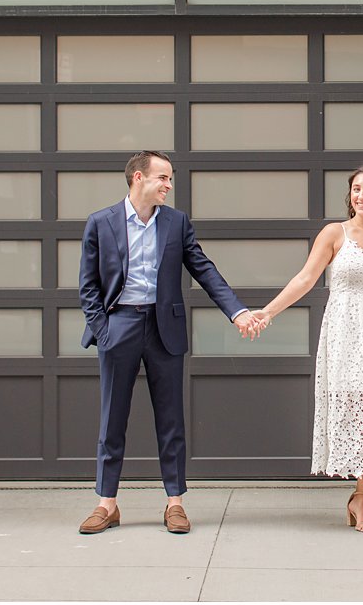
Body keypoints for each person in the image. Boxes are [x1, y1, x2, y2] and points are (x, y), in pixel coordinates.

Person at [76, 150, 262, 536]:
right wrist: (104, 330)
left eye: (170, 178)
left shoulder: (176, 223)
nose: (169, 185)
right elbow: (88, 286)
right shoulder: (101, 223)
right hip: (120, 325)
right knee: (112, 418)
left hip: (165, 329)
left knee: (171, 418)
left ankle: (174, 502)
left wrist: (237, 311)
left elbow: (203, 268)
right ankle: (106, 503)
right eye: (163, 177)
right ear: (138, 178)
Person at [253, 166, 363, 538]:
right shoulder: (334, 234)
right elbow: (305, 278)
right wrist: (268, 312)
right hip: (344, 332)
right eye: (356, 189)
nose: (361, 196)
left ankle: (359, 499)